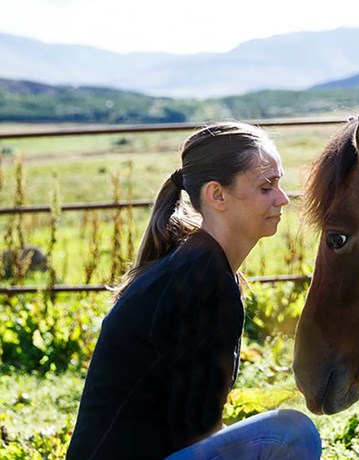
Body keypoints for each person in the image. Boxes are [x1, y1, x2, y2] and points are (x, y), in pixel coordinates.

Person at [66, 122, 322, 460]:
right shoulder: (202, 279)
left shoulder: (197, 265)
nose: (282, 198)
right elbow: (196, 432)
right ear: (217, 195)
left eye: (279, 183)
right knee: (290, 434)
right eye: (266, 187)